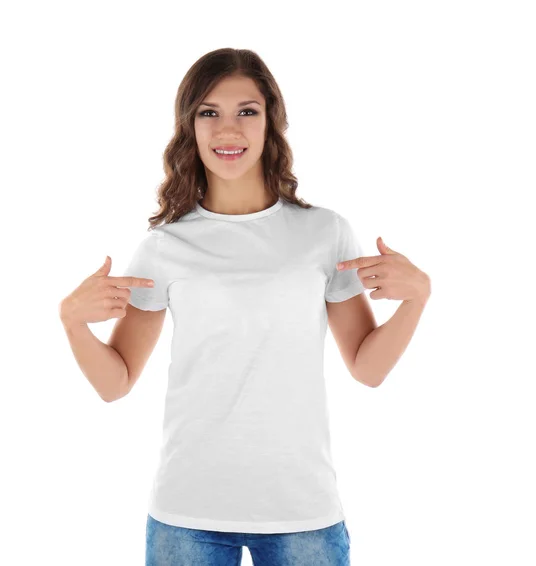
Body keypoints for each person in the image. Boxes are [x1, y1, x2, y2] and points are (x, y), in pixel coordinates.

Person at [60, 47, 430, 565]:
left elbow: (368, 368)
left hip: (303, 513)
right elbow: (114, 382)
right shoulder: (164, 246)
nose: (227, 130)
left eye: (246, 112)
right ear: (189, 126)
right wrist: (72, 322)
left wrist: (417, 298)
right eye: (208, 113)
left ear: (270, 123)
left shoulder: (323, 233)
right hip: (187, 514)